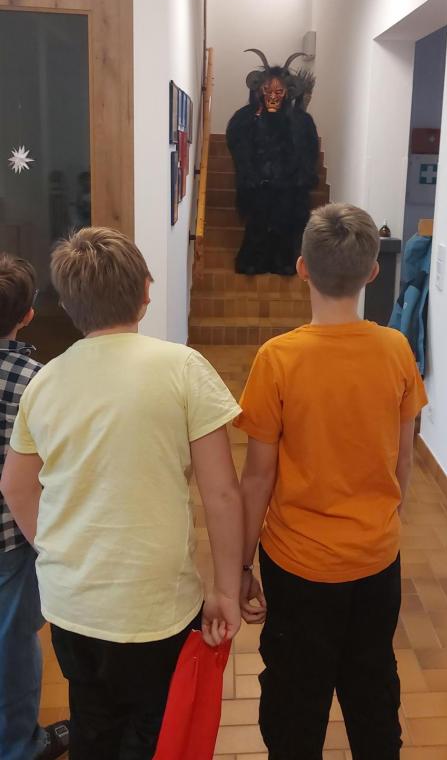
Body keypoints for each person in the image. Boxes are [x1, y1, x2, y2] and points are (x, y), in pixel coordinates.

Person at [0, 227, 243, 760]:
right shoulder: (183, 367)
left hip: (72, 604)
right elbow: (222, 494)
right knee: (153, 731)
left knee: (92, 723)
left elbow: (15, 486)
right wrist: (227, 589)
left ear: (68, 306)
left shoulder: (45, 381)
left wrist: (56, 548)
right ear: (146, 292)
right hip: (156, 604)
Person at [236, 203, 428, 760]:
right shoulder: (396, 349)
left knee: (295, 700)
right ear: (373, 272)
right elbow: (404, 459)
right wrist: (382, 523)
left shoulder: (277, 359)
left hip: (297, 565)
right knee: (372, 688)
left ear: (302, 268)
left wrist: (241, 565)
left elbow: (257, 478)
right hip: (376, 558)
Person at [0, 254, 70, 760]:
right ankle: (20, 745)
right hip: (13, 535)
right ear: (28, 314)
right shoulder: (37, 380)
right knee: (14, 643)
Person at [226, 49, 319, 276]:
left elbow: (308, 151)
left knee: (285, 225)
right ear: (259, 91)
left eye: (278, 91)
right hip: (258, 186)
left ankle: (284, 261)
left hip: (288, 187)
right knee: (257, 223)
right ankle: (253, 261)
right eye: (267, 91)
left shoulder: (301, 121)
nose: (273, 96)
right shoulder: (245, 119)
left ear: (287, 93)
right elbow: (238, 145)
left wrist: (296, 176)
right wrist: (250, 173)